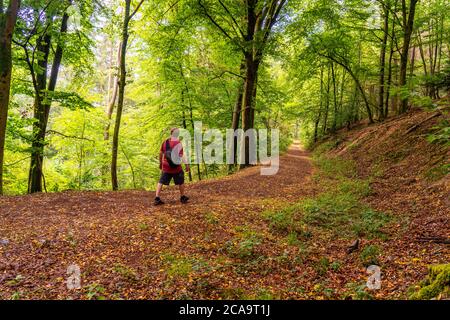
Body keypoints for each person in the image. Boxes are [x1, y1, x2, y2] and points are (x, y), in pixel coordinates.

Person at [154, 128, 190, 205]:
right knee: (181, 181)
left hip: (166, 166)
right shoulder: (178, 143)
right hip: (176, 167)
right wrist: (187, 165)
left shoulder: (165, 142)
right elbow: (182, 156)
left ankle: (157, 198)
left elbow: (160, 154)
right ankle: (182, 197)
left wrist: (160, 163)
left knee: (161, 181)